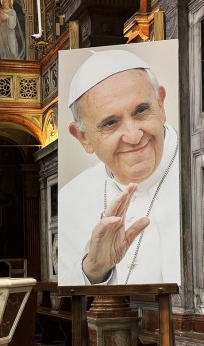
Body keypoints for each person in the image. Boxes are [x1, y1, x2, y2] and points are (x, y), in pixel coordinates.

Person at [57, 49, 181, 286]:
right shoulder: (70, 200)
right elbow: (61, 300)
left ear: (161, 105)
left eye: (141, 111)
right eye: (111, 123)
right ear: (83, 137)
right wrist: (94, 270)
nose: (134, 136)